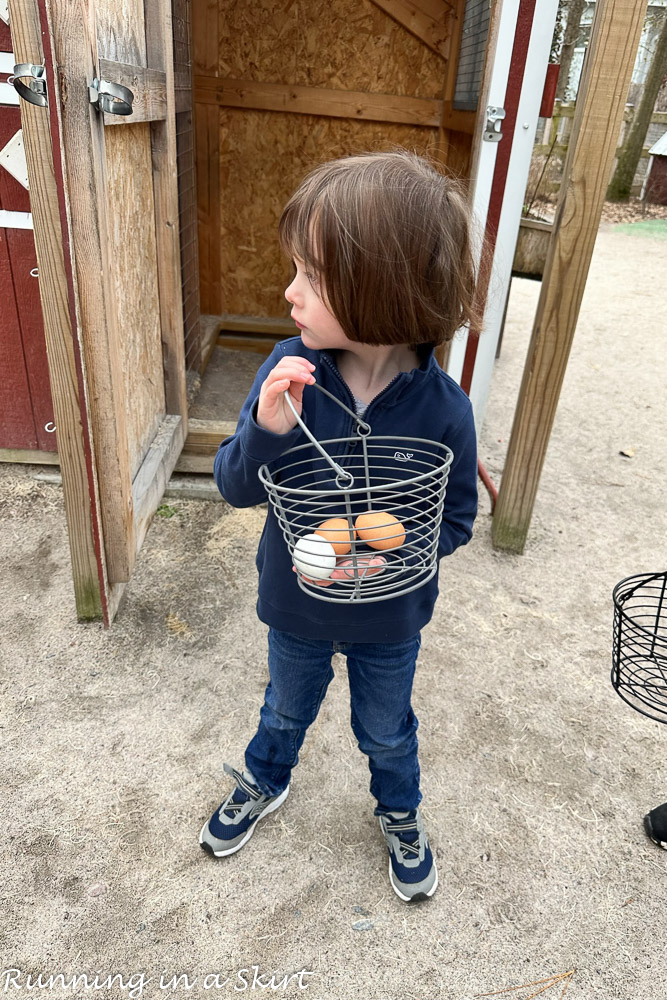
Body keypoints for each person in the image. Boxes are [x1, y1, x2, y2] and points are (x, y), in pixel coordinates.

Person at [200, 150, 480, 902]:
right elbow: (232, 486)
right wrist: (265, 428)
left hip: (390, 616)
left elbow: (455, 519)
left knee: (386, 727)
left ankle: (399, 810)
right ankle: (263, 779)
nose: (287, 291)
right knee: (285, 704)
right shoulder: (290, 374)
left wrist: (385, 553)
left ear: (384, 291)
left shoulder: (443, 410)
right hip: (296, 604)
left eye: (312, 276)